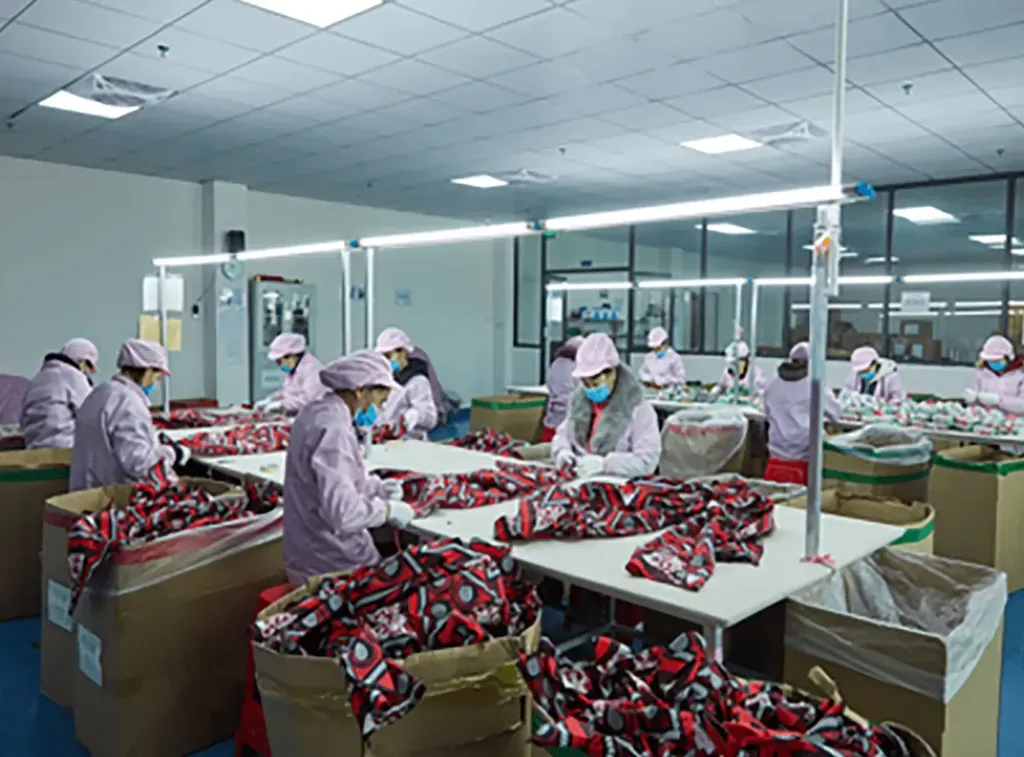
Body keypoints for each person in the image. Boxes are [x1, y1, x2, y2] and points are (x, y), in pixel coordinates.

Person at [283, 350, 416, 586]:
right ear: (359, 391)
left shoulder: (316, 413)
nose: (380, 411)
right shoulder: (335, 430)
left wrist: (377, 488)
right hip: (333, 565)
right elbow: (344, 515)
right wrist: (386, 510)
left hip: (304, 553)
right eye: (379, 402)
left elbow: (335, 480)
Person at [69, 339, 188, 492]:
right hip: (110, 495)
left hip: (86, 489)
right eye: (157, 377)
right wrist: (173, 453)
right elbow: (138, 464)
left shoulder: (102, 392)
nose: (155, 383)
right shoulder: (129, 403)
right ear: (148, 371)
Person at [552, 333, 661, 477]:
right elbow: (563, 434)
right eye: (586, 384)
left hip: (617, 488)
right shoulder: (580, 403)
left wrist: (606, 464)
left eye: (596, 383)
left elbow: (646, 463)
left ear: (612, 372)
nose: (591, 389)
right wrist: (562, 452)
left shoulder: (639, 410)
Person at [762, 342, 843, 485]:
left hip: (776, 454)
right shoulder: (814, 385)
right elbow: (836, 414)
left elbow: (768, 416)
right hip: (804, 455)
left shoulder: (771, 386)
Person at [21, 338, 99, 449]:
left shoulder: (38, 379)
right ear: (80, 361)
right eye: (87, 365)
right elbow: (92, 414)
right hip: (65, 445)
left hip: (34, 446)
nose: (87, 371)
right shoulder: (74, 376)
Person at [375, 327, 439, 439]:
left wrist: (413, 416)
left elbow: (431, 419)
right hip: (387, 442)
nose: (385, 361)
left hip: (410, 443)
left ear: (402, 352)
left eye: (388, 356)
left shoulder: (417, 381)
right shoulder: (386, 379)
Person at [254, 333, 327, 414]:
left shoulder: (312, 370)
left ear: (291, 356)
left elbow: (310, 400)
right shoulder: (293, 368)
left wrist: (282, 405)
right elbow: (288, 391)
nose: (279, 365)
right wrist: (270, 399)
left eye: (279, 361)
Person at [964, 335, 1024, 415]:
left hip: (1014, 423)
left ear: (1008, 358)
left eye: (997, 361)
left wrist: (999, 400)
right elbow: (975, 402)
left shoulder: (1020, 376)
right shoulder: (982, 374)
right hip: (987, 422)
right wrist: (972, 400)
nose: (994, 364)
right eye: (991, 361)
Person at [540, 336, 583, 443]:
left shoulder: (555, 364)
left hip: (551, 422)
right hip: (568, 423)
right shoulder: (575, 367)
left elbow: (550, 385)